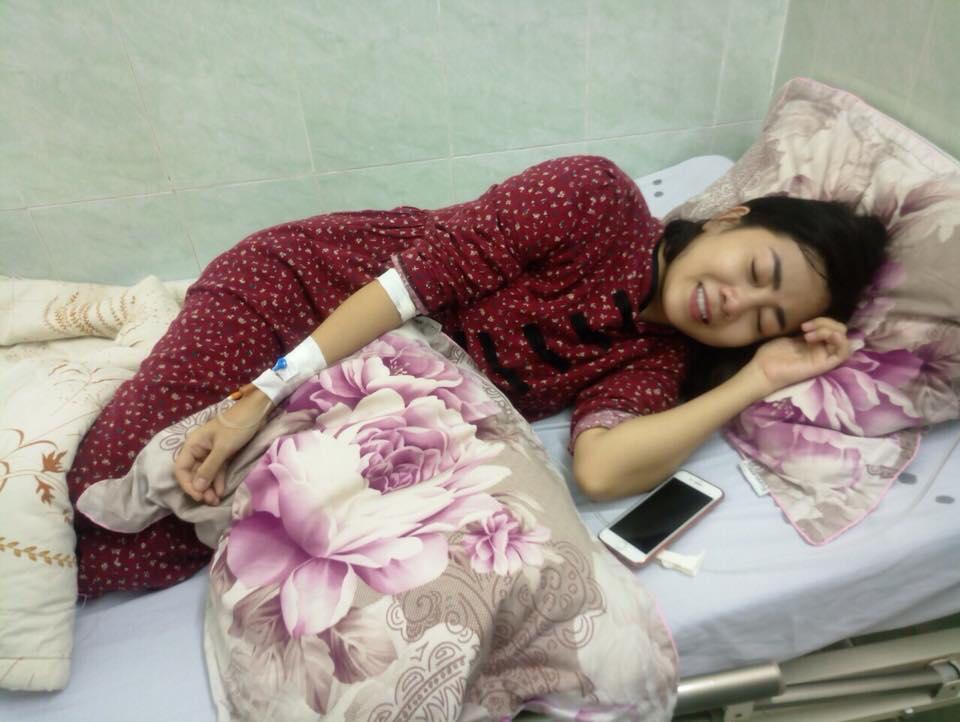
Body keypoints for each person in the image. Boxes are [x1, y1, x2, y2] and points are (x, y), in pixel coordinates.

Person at [66, 155, 889, 596]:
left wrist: (757, 377)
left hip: (359, 391)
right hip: (307, 293)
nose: (737, 303)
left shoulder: (660, 359)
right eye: (758, 270)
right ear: (730, 219)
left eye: (763, 321)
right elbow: (407, 287)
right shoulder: (596, 199)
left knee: (163, 545)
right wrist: (259, 393)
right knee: (101, 485)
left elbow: (602, 470)